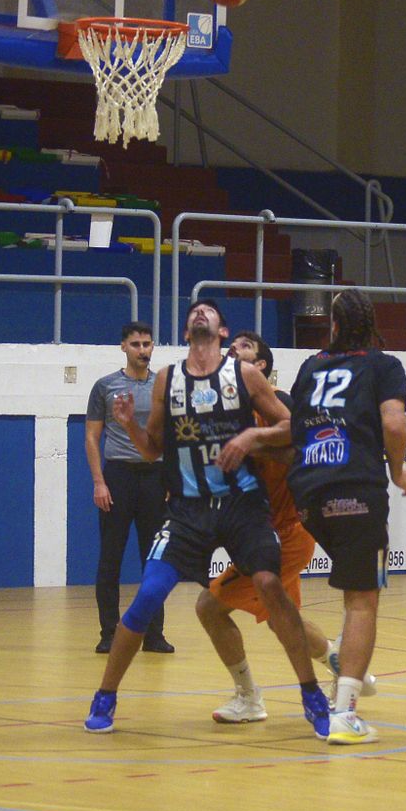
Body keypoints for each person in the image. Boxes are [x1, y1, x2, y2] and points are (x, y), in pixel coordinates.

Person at [83, 300, 333, 736]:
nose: (200, 314)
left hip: (243, 505)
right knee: (147, 596)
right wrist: (128, 424)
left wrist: (253, 435)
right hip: (187, 509)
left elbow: (294, 429)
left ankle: (311, 694)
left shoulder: (245, 375)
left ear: (221, 332)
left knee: (271, 589)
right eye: (194, 312)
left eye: (209, 312)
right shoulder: (168, 379)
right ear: (186, 334)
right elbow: (153, 450)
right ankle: (105, 698)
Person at [196, 330, 366, 725]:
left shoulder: (282, 408)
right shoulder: (224, 408)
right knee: (281, 619)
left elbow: (297, 449)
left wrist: (253, 443)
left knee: (209, 607)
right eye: (231, 345)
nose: (234, 349)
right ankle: (343, 663)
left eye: (245, 347)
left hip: (285, 534)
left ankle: (249, 697)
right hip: (261, 532)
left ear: (260, 368)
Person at [274, 290, 406, 743]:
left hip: (308, 495)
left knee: (350, 590)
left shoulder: (310, 366)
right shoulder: (383, 365)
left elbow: (292, 428)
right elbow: (394, 425)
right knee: (361, 599)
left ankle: (344, 682)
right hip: (357, 490)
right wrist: (396, 470)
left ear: (333, 325)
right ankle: (346, 713)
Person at [84, 320, 173, 655]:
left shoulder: (161, 387)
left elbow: (170, 437)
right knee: (110, 558)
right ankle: (109, 633)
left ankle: (154, 634)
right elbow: (92, 437)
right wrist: (99, 481)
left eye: (147, 344)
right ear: (123, 347)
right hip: (118, 475)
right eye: (136, 345)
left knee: (156, 560)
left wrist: (171, 482)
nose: (142, 351)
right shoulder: (105, 386)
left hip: (155, 476)